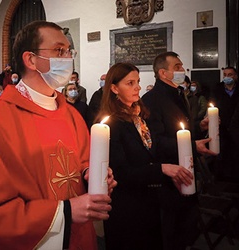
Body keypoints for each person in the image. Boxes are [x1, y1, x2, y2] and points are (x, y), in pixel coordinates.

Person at [0, 20, 116, 250]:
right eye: (59, 50)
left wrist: (92, 174)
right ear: (30, 59)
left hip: (79, 237)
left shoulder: (71, 115)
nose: (67, 58)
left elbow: (81, 160)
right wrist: (67, 211)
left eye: (68, 51)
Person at [99, 63, 193, 250]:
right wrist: (162, 169)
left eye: (138, 82)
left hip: (149, 201)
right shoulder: (110, 123)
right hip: (127, 207)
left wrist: (168, 173)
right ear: (114, 88)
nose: (138, 87)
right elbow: (120, 172)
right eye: (130, 83)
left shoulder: (139, 116)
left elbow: (151, 151)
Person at [142, 51, 216, 250]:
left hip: (187, 166)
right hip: (169, 174)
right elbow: (155, 141)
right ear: (163, 73)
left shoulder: (178, 94)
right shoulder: (151, 99)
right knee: (172, 227)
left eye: (182, 66)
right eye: (177, 67)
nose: (182, 70)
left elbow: (180, 129)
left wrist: (199, 127)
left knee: (188, 222)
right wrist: (193, 146)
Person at [209, 66, 239, 182]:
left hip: (236, 125)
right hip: (221, 125)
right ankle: (221, 177)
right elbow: (213, 104)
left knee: (235, 151)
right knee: (222, 151)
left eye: (230, 74)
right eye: (225, 74)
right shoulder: (218, 89)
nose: (227, 77)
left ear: (235, 76)